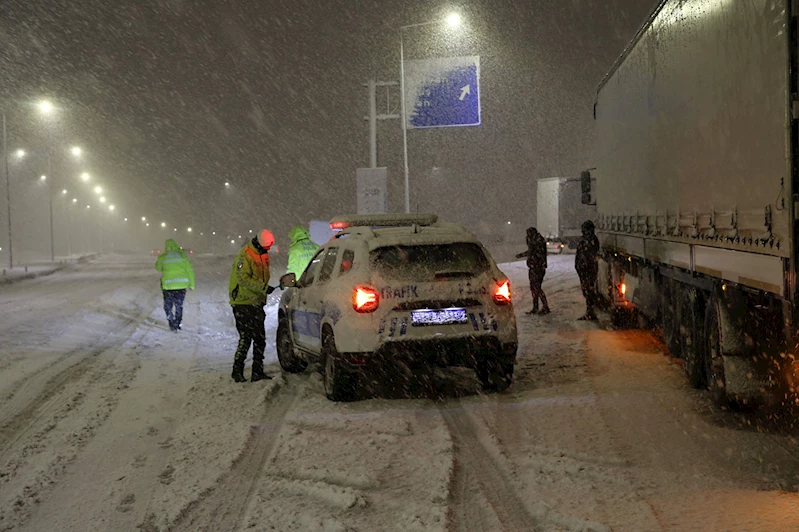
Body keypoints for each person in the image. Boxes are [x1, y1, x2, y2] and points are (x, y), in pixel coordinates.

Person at [229, 229, 276, 382]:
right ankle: (237, 371)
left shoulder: (263, 253)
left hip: (256, 302)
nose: (268, 250)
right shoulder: (245, 254)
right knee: (246, 338)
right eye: (267, 247)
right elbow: (243, 279)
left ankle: (257, 371)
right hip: (242, 302)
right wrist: (262, 288)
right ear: (260, 244)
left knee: (260, 338)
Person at [155, 239, 195, 332]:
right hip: (181, 286)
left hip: (168, 286)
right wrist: (192, 284)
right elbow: (190, 270)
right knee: (179, 305)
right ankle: (178, 322)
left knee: (168, 305)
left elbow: (158, 268)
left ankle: (171, 322)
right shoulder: (182, 256)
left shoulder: (163, 257)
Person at [515, 227, 550, 315]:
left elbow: (534, 253)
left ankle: (543, 306)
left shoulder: (537, 241)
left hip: (537, 267)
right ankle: (537, 307)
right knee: (534, 287)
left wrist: (535, 262)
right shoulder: (537, 240)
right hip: (535, 267)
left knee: (536, 287)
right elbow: (532, 252)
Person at [575, 220, 600, 321]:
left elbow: (587, 256)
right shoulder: (588, 239)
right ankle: (590, 312)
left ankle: (590, 312)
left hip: (587, 270)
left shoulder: (590, 240)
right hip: (585, 270)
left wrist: (582, 267)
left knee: (588, 291)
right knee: (587, 291)